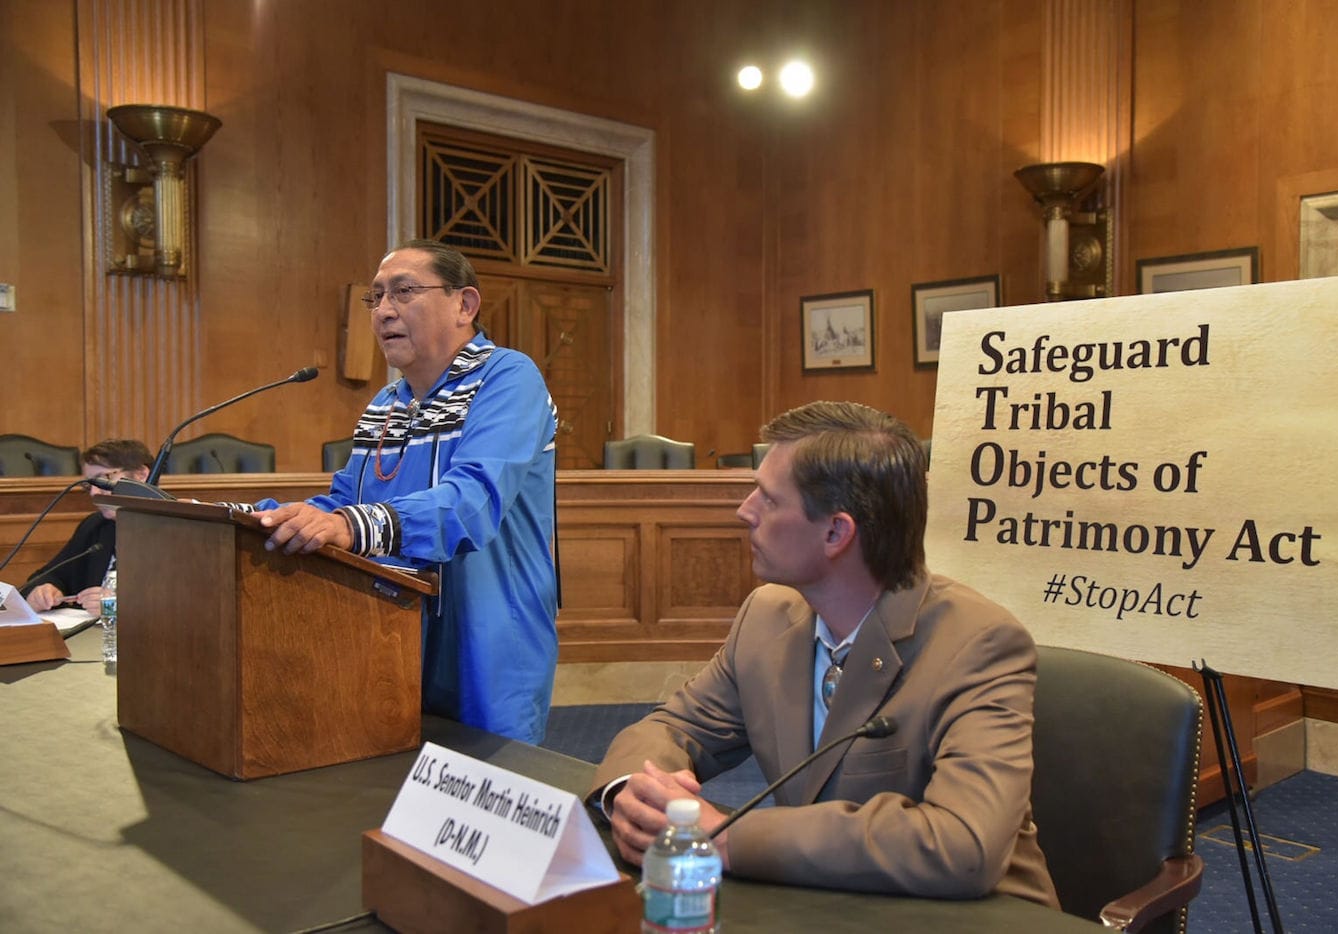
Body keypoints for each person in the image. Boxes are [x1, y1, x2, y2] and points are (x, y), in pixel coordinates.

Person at [591, 401, 1059, 906]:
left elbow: (964, 844)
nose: (744, 510)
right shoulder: (767, 616)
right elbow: (672, 728)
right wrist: (632, 792)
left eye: (768, 500)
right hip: (826, 906)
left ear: (836, 532)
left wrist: (729, 837)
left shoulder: (981, 644)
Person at [245, 239, 559, 743]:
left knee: (483, 796)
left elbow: (470, 501)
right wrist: (272, 518)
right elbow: (346, 502)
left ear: (465, 304)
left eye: (404, 292)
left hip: (488, 633)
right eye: (376, 298)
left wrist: (347, 525)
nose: (384, 311)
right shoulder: (386, 403)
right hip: (392, 633)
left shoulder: (507, 377)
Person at [22, 439, 154, 616]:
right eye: (89, 484)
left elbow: (182, 603)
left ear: (140, 475)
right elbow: (51, 575)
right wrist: (43, 591)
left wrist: (117, 607)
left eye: (103, 479)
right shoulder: (96, 526)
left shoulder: (178, 530)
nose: (94, 492)